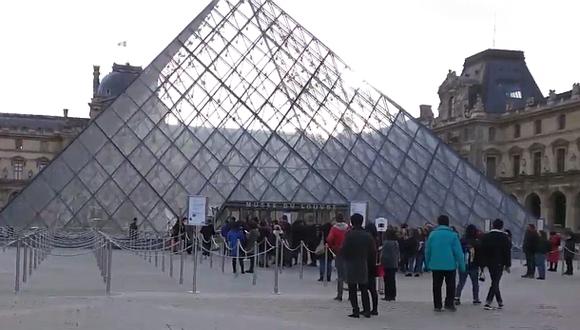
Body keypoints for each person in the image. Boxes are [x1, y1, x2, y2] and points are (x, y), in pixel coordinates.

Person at [425, 215, 465, 312]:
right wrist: (462, 266)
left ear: (438, 223)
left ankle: (437, 305)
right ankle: (449, 304)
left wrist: (427, 264)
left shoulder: (432, 235)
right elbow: (459, 253)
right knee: (450, 286)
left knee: (436, 286)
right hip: (450, 265)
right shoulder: (453, 235)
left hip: (435, 265)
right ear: (448, 223)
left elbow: (427, 251)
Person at [341, 213, 376, 318]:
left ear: (352, 222)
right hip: (363, 263)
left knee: (352, 289)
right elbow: (373, 252)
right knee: (364, 288)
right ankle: (367, 310)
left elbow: (344, 250)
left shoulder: (349, 235)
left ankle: (355, 310)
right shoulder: (368, 235)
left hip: (351, 264)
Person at [480, 219, 511, 310]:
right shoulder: (504, 237)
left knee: (495, 281)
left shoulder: (486, 236)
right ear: (501, 226)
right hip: (499, 262)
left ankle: (499, 301)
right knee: (495, 281)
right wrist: (508, 264)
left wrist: (482, 263)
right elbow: (507, 251)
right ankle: (488, 301)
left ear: (492, 225)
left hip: (489, 262)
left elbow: (483, 251)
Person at [455, 224, 482, 305]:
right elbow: (480, 255)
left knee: (461, 282)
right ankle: (475, 299)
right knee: (475, 283)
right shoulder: (477, 242)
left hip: (463, 264)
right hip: (474, 265)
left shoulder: (462, 240)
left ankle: (457, 297)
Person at [327, 213, 349, 301]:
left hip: (339, 252)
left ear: (336, 219)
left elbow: (329, 239)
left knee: (340, 275)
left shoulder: (334, 229)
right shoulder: (348, 228)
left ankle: (339, 295)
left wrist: (332, 247)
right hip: (348, 252)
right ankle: (351, 295)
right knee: (349, 274)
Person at [381, 228, 400, 301]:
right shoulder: (396, 242)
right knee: (392, 279)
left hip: (387, 263)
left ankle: (387, 295)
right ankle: (393, 295)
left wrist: (381, 261)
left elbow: (383, 254)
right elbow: (397, 253)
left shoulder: (386, 243)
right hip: (394, 263)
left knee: (387, 280)